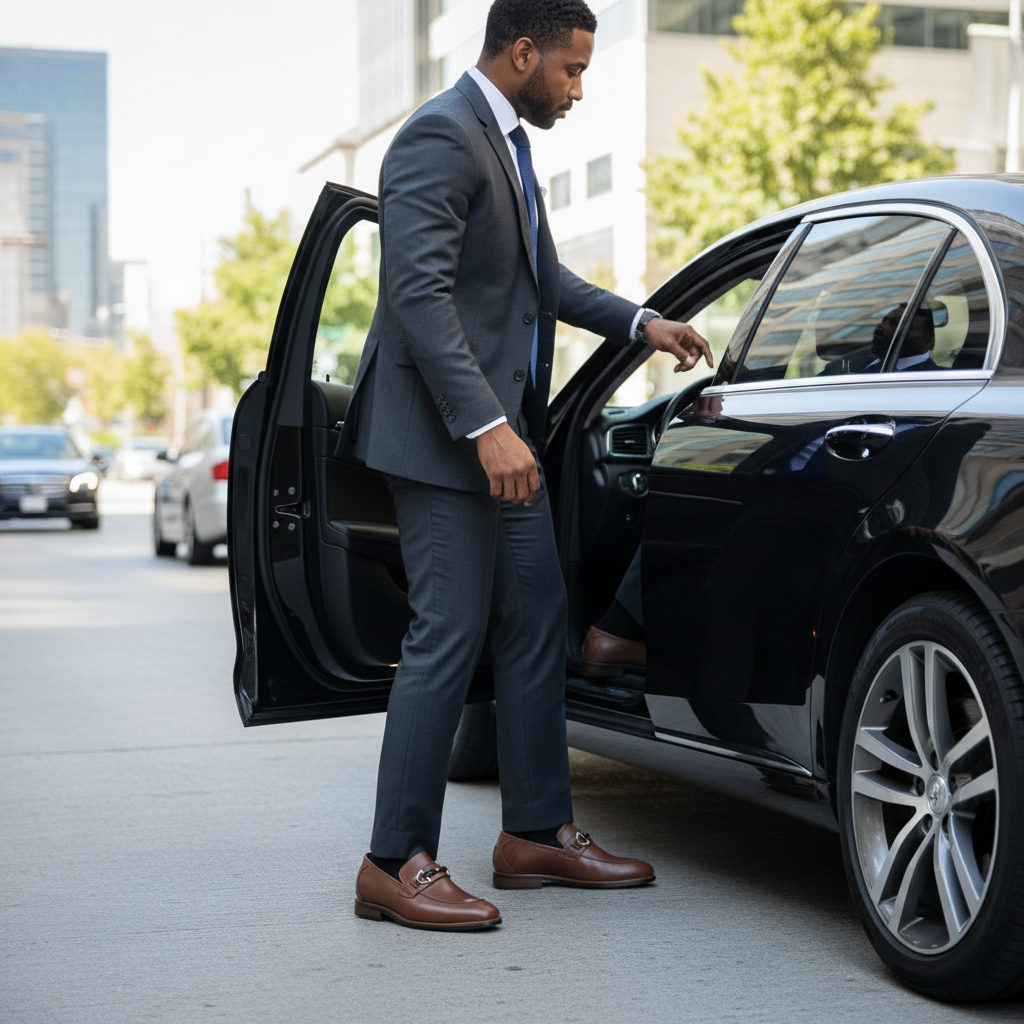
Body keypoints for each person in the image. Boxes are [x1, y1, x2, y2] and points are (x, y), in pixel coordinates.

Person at [342, 0, 713, 931]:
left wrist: (642, 322)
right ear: (521, 53)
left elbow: (543, 281)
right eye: (572, 71)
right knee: (448, 632)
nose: (578, 89)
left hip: (502, 447)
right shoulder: (439, 136)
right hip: (444, 444)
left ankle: (535, 833)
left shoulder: (509, 143)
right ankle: (394, 862)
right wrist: (484, 427)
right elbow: (417, 298)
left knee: (538, 619)